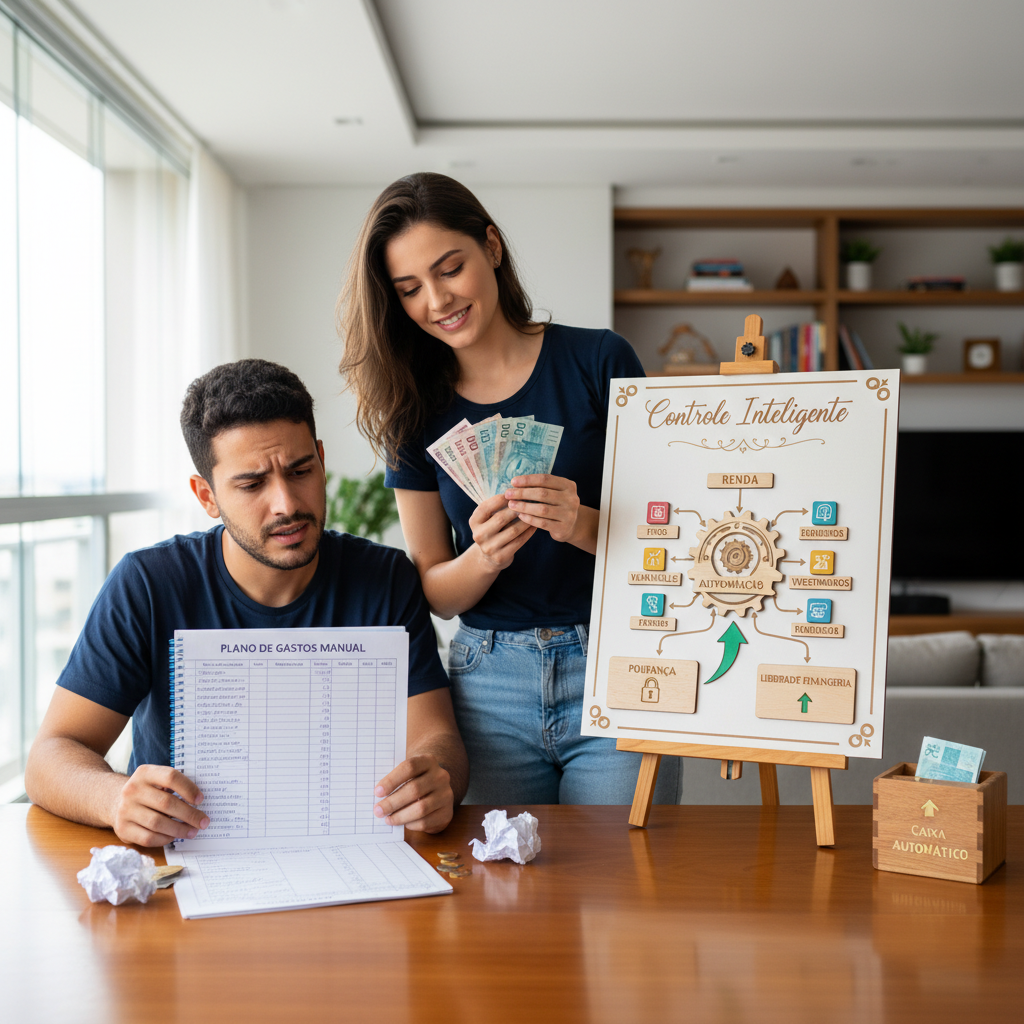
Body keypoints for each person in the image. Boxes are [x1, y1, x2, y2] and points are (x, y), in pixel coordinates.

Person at [338, 172, 679, 805]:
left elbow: (670, 546)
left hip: (618, 659)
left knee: (628, 888)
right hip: (486, 681)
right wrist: (484, 557)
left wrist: (578, 522)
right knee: (502, 894)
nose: (437, 300)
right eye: (410, 289)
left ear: (491, 247)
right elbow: (435, 591)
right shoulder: (411, 410)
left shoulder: (600, 361)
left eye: (450, 269)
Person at [25, 359, 467, 846]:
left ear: (321, 459)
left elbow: (437, 737)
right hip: (188, 864)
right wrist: (113, 798)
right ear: (206, 496)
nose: (286, 504)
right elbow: (51, 756)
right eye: (252, 484)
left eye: (301, 470)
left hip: (346, 851)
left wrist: (436, 779)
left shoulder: (385, 580)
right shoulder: (149, 584)